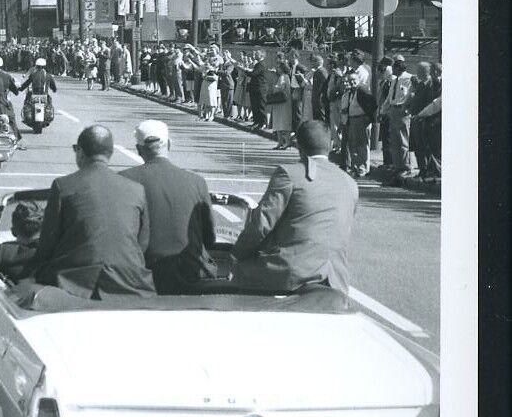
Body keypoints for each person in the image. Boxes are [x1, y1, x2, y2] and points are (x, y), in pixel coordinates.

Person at [232, 120, 358, 295]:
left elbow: (261, 224)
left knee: (237, 272)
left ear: (298, 146)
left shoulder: (289, 174)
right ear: (329, 145)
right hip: (336, 279)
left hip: (291, 273)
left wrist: (236, 254)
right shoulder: (350, 183)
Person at [29, 124, 154, 299]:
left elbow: (48, 243)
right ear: (110, 153)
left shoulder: (63, 186)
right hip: (129, 284)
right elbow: (142, 244)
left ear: (80, 151)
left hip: (74, 284)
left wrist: (33, 273)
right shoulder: (136, 189)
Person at [119, 121, 217, 293]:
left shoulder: (124, 179)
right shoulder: (196, 182)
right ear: (169, 144)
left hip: (144, 277)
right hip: (189, 275)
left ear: (139, 149)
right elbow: (209, 238)